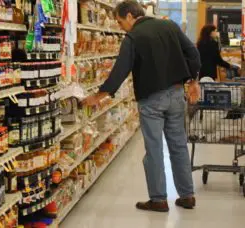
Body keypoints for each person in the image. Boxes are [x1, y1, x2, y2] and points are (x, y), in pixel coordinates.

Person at [83, 0, 201, 212]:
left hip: (152, 98)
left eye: (119, 21)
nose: (120, 26)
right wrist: (193, 81)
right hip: (176, 94)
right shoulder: (170, 26)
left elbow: (120, 70)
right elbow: (193, 53)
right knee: (179, 146)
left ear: (130, 16)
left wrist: (99, 95)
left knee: (154, 149)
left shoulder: (133, 37)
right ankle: (187, 195)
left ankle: (158, 200)